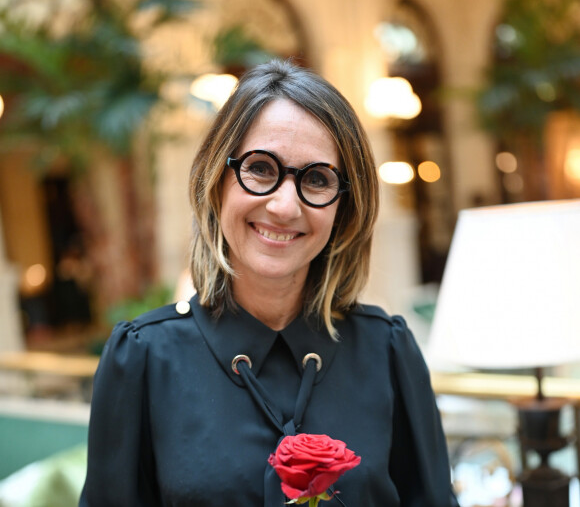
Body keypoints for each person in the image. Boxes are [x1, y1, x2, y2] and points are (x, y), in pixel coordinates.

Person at [80, 60, 457, 506]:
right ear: (215, 181)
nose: (283, 206)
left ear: (344, 208)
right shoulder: (142, 358)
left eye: (317, 179)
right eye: (260, 169)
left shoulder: (388, 350)